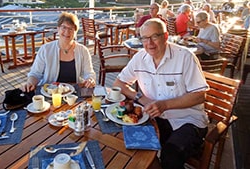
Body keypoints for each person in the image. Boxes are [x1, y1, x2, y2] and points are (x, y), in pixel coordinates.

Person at [113, 18, 208, 169]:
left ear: (165, 36)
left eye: (154, 37)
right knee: (130, 144)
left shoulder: (185, 57)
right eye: (145, 38)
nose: (149, 43)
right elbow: (119, 83)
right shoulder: (140, 58)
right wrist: (141, 98)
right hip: (155, 119)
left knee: (170, 156)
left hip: (188, 120)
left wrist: (164, 105)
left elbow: (200, 95)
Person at [22, 12, 96, 92]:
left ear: (75, 32)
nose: (67, 32)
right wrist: (30, 82)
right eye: (64, 27)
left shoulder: (83, 50)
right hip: (49, 93)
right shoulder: (45, 49)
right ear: (58, 28)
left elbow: (89, 73)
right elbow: (35, 74)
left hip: (73, 94)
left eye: (71, 29)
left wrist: (90, 79)